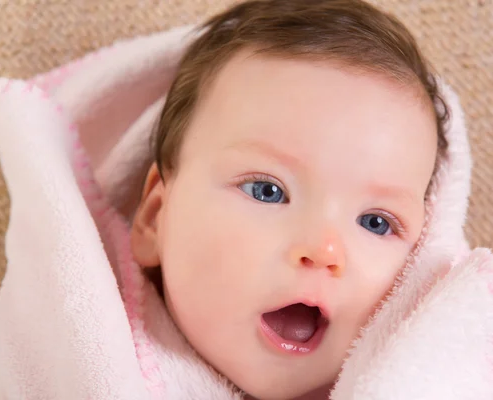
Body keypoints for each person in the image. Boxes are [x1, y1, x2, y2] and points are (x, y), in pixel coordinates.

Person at [130, 0, 449, 398]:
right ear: (157, 216)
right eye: (269, 191)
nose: (323, 250)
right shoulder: (83, 344)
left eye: (375, 222)